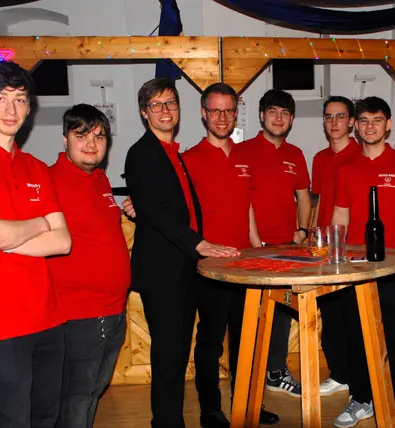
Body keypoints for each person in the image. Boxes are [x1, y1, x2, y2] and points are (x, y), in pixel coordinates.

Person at [0, 60, 71, 428]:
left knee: (46, 419)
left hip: (47, 318)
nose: (11, 110)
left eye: (20, 99)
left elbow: (62, 242)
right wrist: (39, 224)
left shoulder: (36, 167)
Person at [124, 78, 239, 428]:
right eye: (156, 105)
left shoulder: (174, 153)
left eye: (171, 103)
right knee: (169, 357)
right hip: (163, 273)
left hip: (184, 269)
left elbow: (180, 205)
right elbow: (157, 212)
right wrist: (199, 244)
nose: (165, 110)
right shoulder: (142, 153)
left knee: (176, 355)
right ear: (144, 112)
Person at [182, 83, 279, 427]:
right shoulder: (188, 160)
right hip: (209, 268)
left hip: (245, 265)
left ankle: (248, 404)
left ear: (236, 114)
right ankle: (210, 409)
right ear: (204, 113)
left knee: (247, 340)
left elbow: (246, 206)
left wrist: (257, 249)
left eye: (228, 111)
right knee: (210, 343)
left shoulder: (245, 156)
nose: (222, 117)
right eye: (215, 110)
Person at [331, 96, 395, 428]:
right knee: (356, 337)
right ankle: (361, 399)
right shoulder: (346, 168)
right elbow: (340, 217)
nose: (370, 126)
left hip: (394, 269)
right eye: (364, 120)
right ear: (356, 126)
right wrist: (335, 261)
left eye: (377, 120)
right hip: (354, 269)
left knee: (393, 339)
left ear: (388, 124)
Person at [48, 104, 131, 428]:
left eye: (99, 136)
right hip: (79, 315)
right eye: (81, 135)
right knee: (77, 397)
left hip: (113, 311)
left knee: (93, 391)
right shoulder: (50, 180)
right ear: (65, 139)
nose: (91, 144)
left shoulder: (100, 180)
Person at [239, 89, 311, 398]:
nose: (279, 118)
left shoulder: (296, 154)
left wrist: (303, 230)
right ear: (261, 116)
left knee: (281, 313)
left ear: (291, 119)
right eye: (273, 112)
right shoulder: (242, 151)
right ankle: (246, 379)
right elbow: (240, 199)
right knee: (249, 315)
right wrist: (255, 240)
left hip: (287, 248)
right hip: (250, 248)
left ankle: (275, 371)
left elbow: (304, 196)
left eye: (284, 113)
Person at [311, 95, 360, 397]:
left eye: (340, 116)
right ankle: (339, 374)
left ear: (351, 121)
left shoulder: (361, 155)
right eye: (329, 116)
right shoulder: (319, 158)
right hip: (324, 250)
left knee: (353, 317)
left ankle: (359, 379)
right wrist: (313, 236)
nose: (334, 122)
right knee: (330, 317)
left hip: (352, 250)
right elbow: (318, 201)